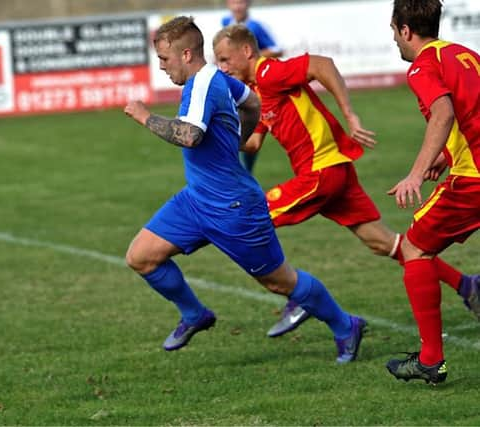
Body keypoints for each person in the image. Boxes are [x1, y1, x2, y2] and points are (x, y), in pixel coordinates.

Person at [124, 16, 366, 364]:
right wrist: (236, 140)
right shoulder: (219, 80)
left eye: (164, 59)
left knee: (281, 282)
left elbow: (190, 135)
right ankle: (195, 314)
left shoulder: (203, 85)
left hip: (234, 208)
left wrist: (146, 117)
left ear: (187, 54)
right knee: (141, 256)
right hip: (196, 200)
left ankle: (346, 326)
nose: (161, 66)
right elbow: (252, 102)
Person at [212, 25, 479, 340]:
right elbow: (253, 143)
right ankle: (467, 285)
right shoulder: (258, 90)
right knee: (388, 244)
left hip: (321, 172)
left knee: (249, 219)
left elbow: (321, 64)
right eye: (218, 62)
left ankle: (299, 296)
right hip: (335, 172)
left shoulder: (270, 71)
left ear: (246, 52)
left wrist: (350, 115)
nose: (222, 68)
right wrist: (216, 134)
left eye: (225, 59)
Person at [383, 0, 480, 385]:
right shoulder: (463, 54)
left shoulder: (423, 65)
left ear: (406, 30)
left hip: (474, 178)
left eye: (394, 30)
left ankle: (430, 359)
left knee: (414, 249)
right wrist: (445, 152)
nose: (394, 39)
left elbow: (444, 113)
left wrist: (415, 174)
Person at [221, 0, 284, 174]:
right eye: (234, 2)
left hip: (255, 86)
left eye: (241, 2)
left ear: (248, 4)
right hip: (236, 85)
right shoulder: (225, 23)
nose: (237, 7)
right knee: (234, 125)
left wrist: (247, 57)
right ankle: (240, 173)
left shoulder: (255, 27)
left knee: (250, 128)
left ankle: (245, 172)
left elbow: (277, 48)